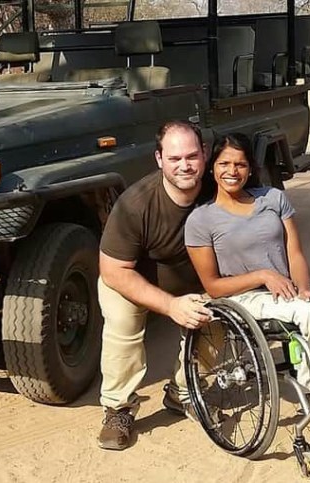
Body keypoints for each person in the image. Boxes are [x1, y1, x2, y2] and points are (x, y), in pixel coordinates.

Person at [184, 133, 310, 420]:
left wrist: (304, 288)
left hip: (287, 288)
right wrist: (262, 275)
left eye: (240, 164)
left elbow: (295, 252)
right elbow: (213, 286)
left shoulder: (273, 198)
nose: (232, 171)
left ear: (251, 168)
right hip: (244, 297)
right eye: (224, 163)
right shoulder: (201, 220)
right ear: (212, 168)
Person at [96, 120, 215, 451]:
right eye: (175, 158)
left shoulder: (220, 189)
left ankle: (184, 392)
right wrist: (171, 306)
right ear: (159, 159)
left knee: (217, 316)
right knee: (123, 324)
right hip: (133, 281)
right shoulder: (136, 204)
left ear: (204, 155)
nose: (185, 165)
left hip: (193, 282)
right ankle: (118, 409)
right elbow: (113, 270)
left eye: (192, 156)